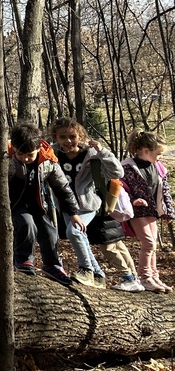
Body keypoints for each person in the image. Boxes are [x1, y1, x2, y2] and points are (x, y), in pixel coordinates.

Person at [0, 122, 84, 285]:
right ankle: (23, 260)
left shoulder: (48, 160)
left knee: (50, 231)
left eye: (30, 155)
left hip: (39, 203)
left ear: (39, 149)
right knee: (27, 224)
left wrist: (73, 214)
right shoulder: (6, 159)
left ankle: (52, 265)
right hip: (15, 204)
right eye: (20, 154)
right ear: (15, 149)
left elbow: (62, 188)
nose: (25, 159)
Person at [49, 117, 124, 288]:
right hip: (66, 205)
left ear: (80, 136)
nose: (68, 141)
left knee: (74, 233)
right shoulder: (52, 154)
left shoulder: (91, 154)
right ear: (56, 137)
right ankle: (99, 275)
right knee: (79, 235)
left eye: (72, 136)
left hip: (87, 205)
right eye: (62, 137)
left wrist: (102, 151)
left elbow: (117, 172)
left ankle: (86, 270)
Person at [121, 129, 174, 293]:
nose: (160, 157)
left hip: (152, 211)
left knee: (154, 245)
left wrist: (168, 212)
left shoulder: (158, 168)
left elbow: (164, 190)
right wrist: (132, 200)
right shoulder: (127, 167)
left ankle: (154, 276)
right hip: (137, 212)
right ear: (146, 151)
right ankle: (144, 277)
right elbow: (118, 188)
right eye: (158, 153)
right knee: (148, 243)